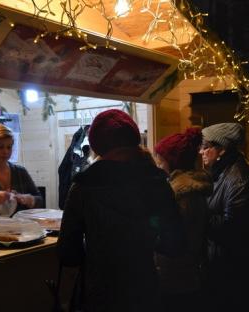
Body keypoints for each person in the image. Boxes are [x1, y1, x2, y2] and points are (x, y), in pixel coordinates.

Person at [58, 109, 185, 312]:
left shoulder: (84, 185)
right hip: (144, 289)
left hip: (98, 292)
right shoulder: (157, 182)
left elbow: (68, 253)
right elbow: (175, 244)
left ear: (97, 146)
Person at [199, 122, 249, 312]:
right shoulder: (221, 173)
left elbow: (231, 229)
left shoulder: (240, 179)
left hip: (241, 272)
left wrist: (197, 215)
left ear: (222, 149)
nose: (201, 151)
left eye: (205, 146)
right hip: (228, 269)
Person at [153, 127, 212, 312]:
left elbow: (176, 236)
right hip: (186, 270)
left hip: (178, 272)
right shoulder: (189, 187)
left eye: (161, 161)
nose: (159, 165)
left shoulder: (182, 193)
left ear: (172, 161)